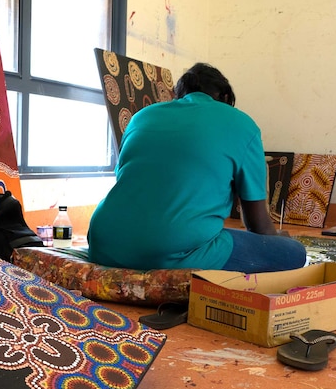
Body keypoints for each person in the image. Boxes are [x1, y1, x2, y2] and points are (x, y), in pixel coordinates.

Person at [87, 63, 306, 273]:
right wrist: (277, 238)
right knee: (294, 252)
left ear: (177, 95)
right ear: (226, 98)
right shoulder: (241, 123)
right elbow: (258, 226)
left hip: (103, 243)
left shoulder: (141, 117)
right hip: (171, 251)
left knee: (210, 232)